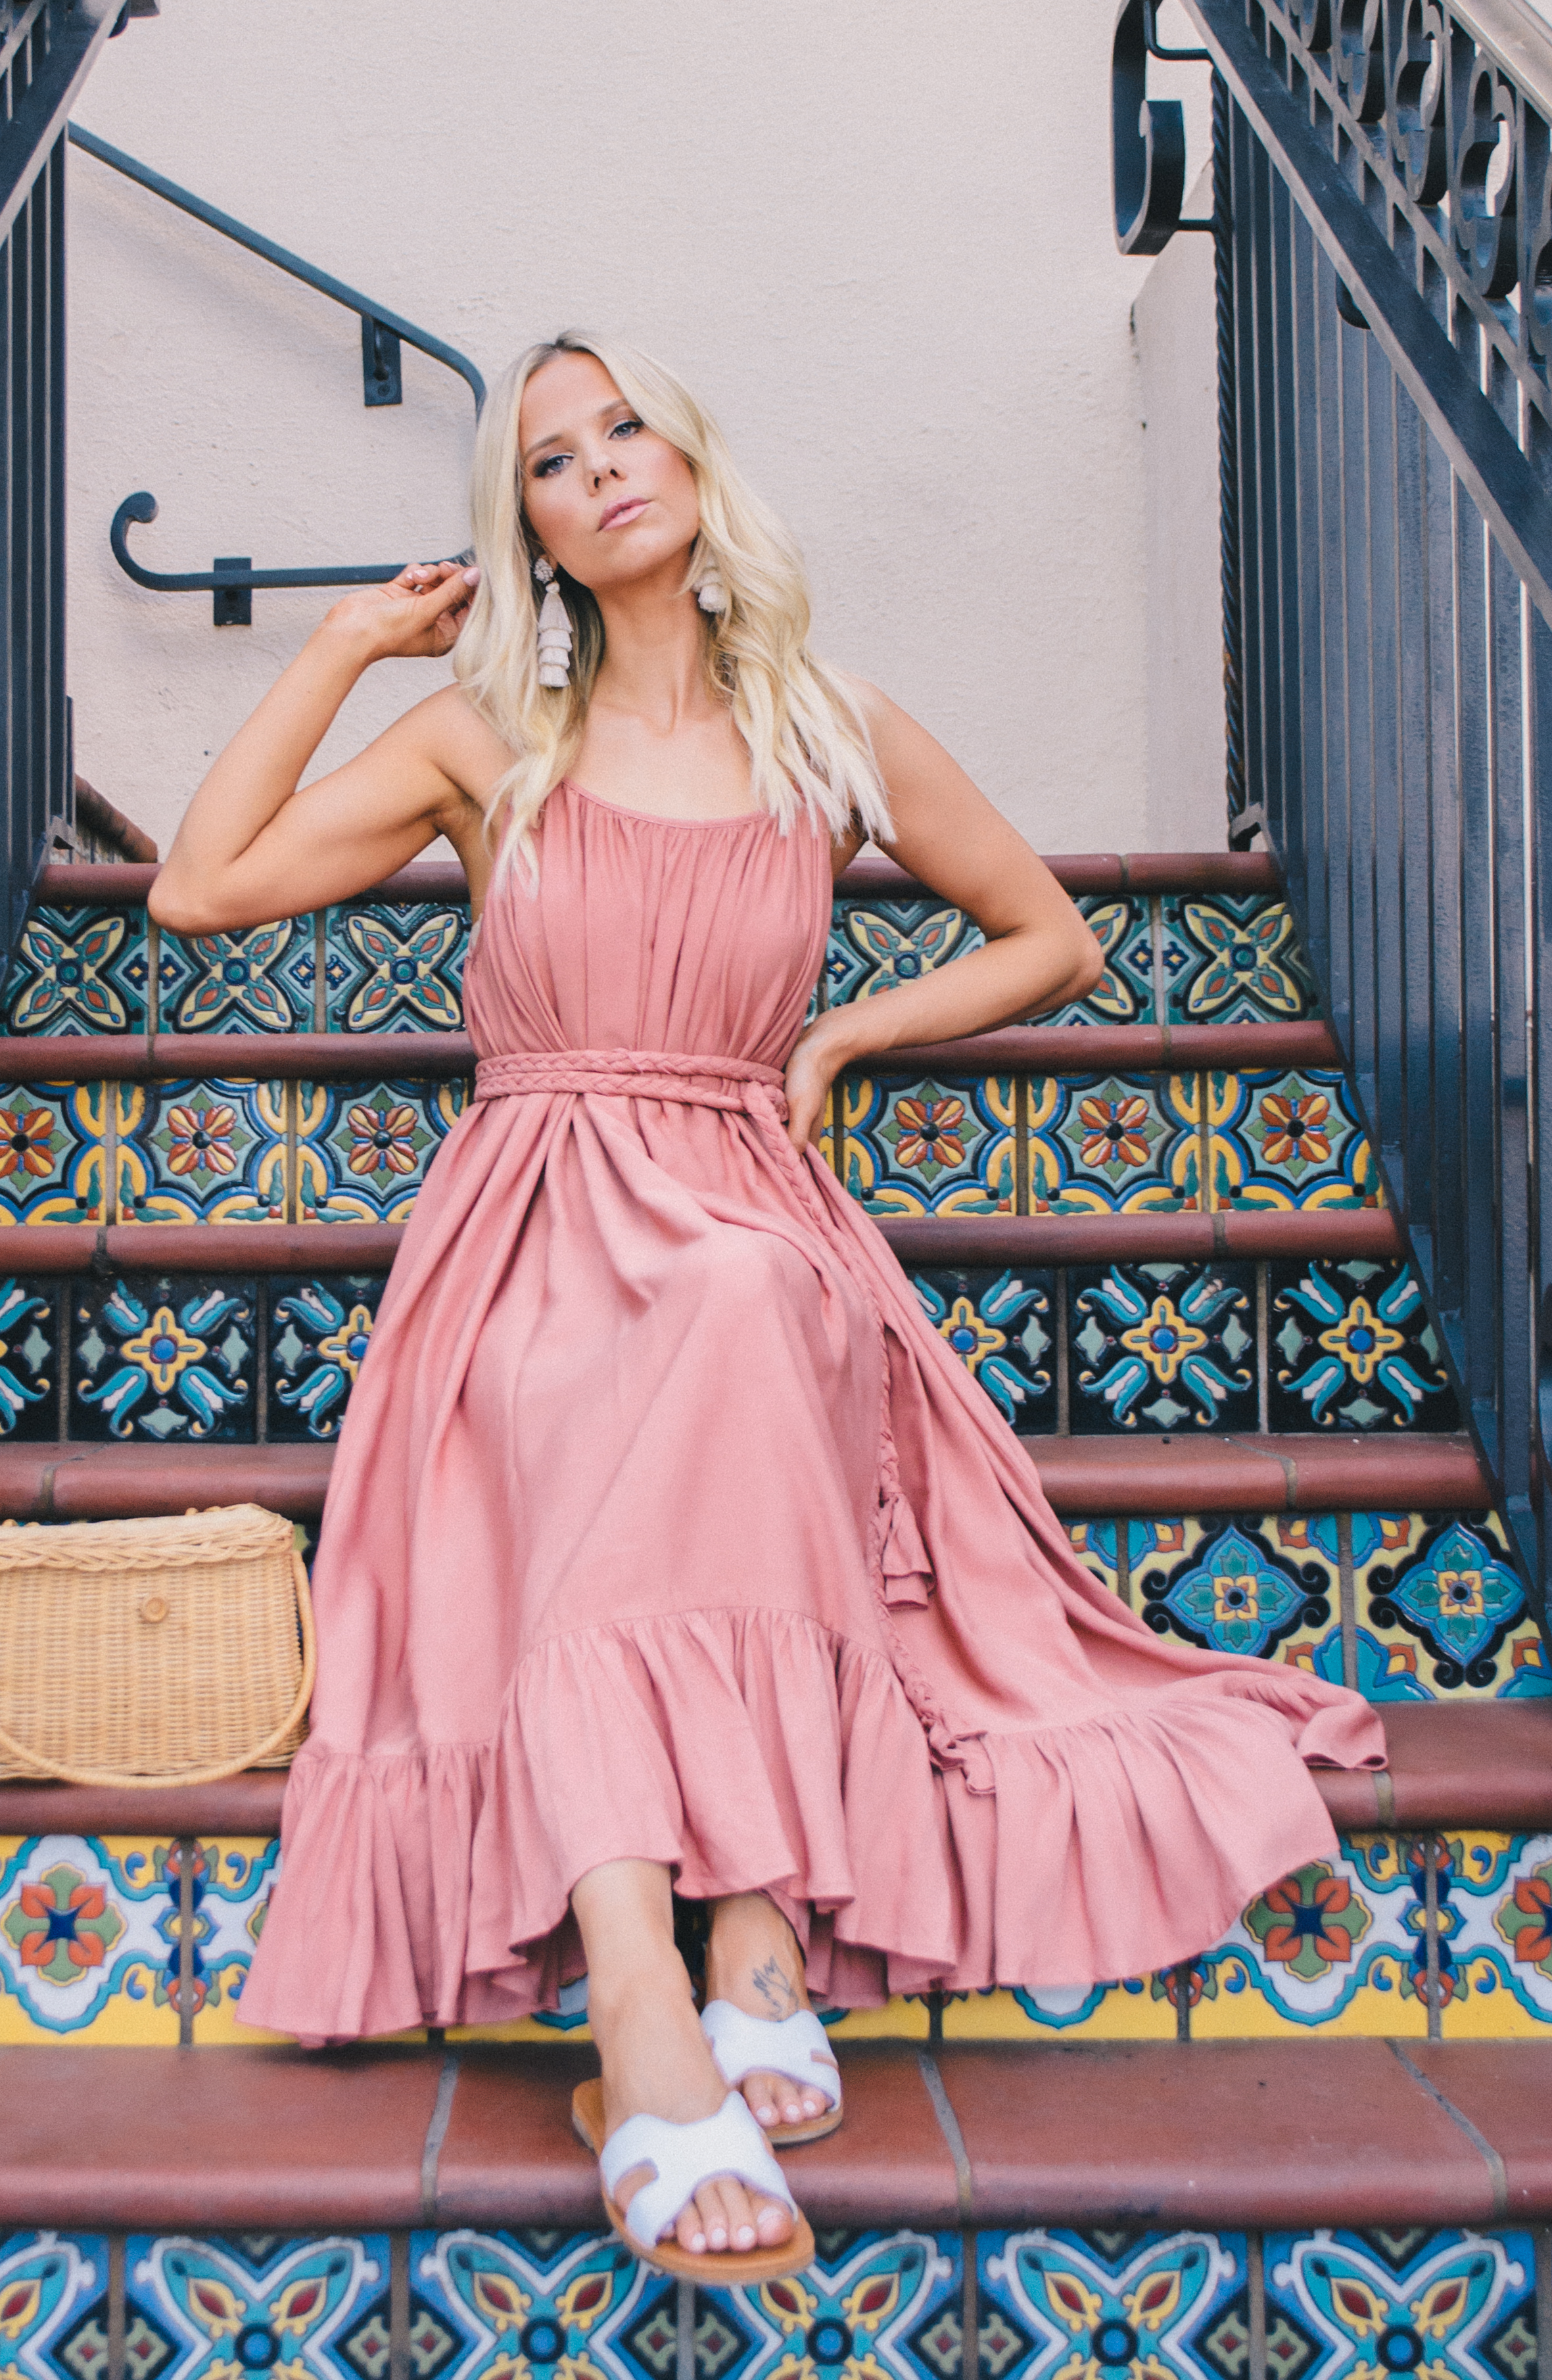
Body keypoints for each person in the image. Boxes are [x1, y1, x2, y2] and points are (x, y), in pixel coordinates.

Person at [149, 333, 1384, 2287]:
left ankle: (734, 1954)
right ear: (533, 534)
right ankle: (659, 1987)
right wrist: (351, 652)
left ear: (698, 468)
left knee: (736, 1301)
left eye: (628, 427)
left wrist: (847, 1036)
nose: (601, 469)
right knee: (656, 1346)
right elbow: (195, 893)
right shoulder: (494, 740)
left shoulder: (828, 725)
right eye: (555, 461)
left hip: (745, 1199)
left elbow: (1047, 936)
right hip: (533, 1230)